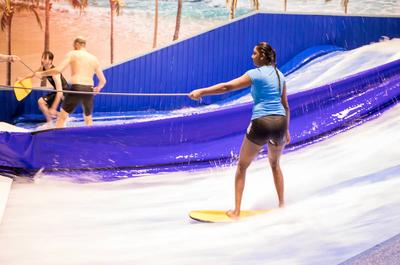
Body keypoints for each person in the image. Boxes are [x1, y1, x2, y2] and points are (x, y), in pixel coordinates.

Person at [189, 42, 290, 219]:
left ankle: (236, 212)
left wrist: (202, 92)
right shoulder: (280, 75)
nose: (251, 57)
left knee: (242, 166)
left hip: (262, 122)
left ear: (262, 56)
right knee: (275, 164)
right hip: (280, 123)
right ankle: (282, 205)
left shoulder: (254, 74)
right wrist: (286, 131)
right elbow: (286, 106)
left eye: (254, 53)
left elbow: (227, 87)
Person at [35, 36, 106, 128]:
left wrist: (42, 73)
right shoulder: (94, 58)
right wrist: (98, 88)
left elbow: (58, 70)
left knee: (63, 117)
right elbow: (103, 80)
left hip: (77, 87)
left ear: (77, 44)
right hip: (89, 89)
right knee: (88, 118)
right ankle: (88, 139)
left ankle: (56, 137)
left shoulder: (73, 54)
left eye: (74, 45)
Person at [18, 51, 69, 127]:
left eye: (45, 58)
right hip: (57, 91)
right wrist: (22, 79)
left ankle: (52, 122)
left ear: (50, 61)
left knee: (42, 103)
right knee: (42, 104)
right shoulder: (43, 68)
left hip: (64, 92)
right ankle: (57, 118)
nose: (42, 60)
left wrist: (53, 107)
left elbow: (60, 92)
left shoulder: (55, 73)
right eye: (42, 57)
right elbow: (33, 73)